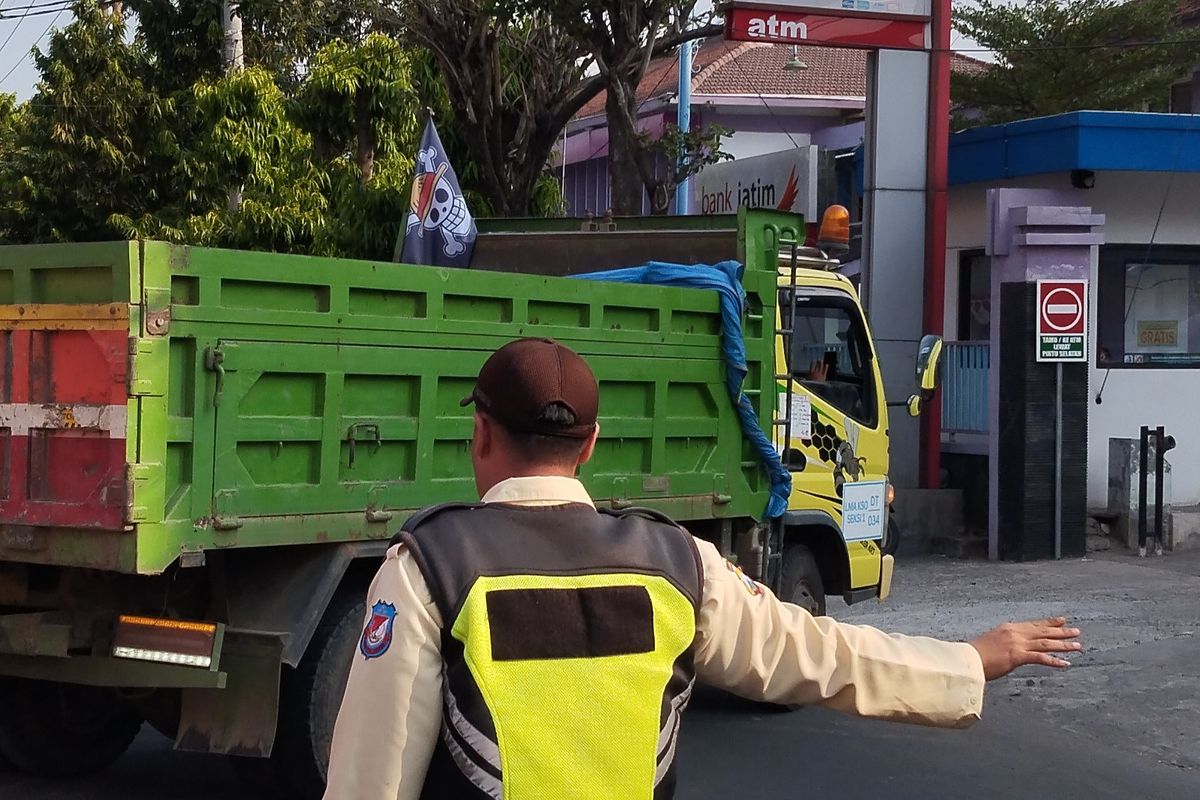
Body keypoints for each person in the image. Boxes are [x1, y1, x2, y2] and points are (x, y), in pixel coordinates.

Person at [324, 337, 1081, 800]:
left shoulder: (428, 569)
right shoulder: (679, 564)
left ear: (480, 434)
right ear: (590, 446)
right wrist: (968, 661)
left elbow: (372, 780)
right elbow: (818, 655)